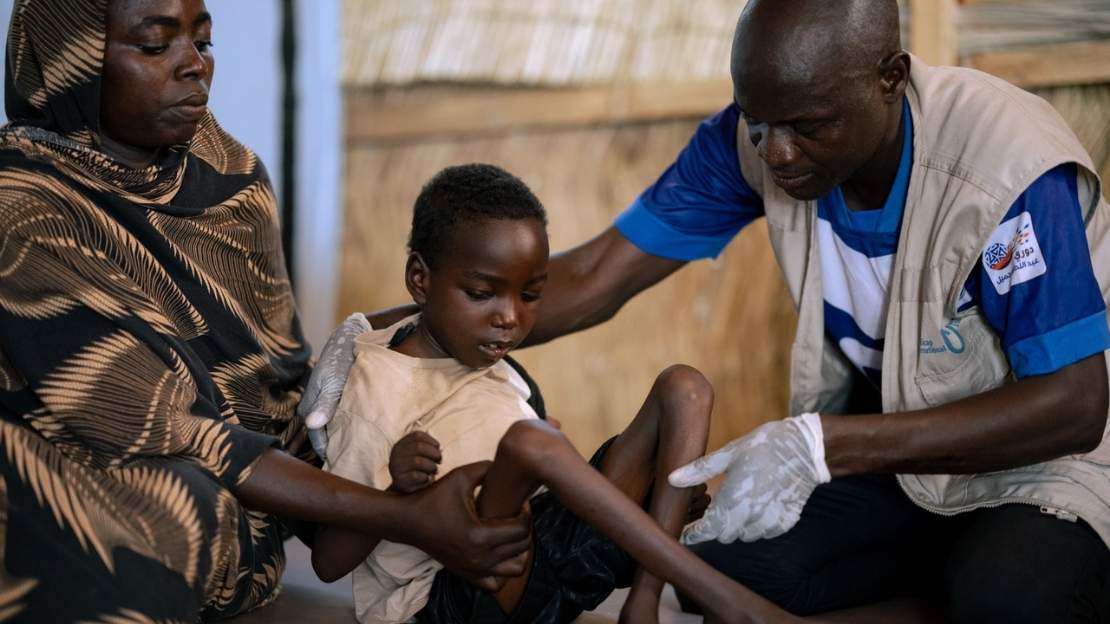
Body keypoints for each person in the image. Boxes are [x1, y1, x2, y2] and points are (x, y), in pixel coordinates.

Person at [308, 0, 1110, 620]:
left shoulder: (1003, 169)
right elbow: (592, 275)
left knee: (1014, 598)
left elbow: (1073, 407)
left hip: (1038, 467)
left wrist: (822, 442)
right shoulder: (754, 139)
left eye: (807, 126)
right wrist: (392, 334)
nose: (778, 153)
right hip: (904, 466)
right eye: (759, 123)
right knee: (728, 561)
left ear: (890, 78)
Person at [0, 1, 534, 621]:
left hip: (239, 503)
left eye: (203, 41)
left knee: (467, 377)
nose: (193, 66)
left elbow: (280, 392)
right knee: (169, 507)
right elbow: (158, 427)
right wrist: (403, 517)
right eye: (154, 47)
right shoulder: (24, 205)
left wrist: (402, 417)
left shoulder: (231, 176)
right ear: (72, 57)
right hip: (94, 468)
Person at [310, 163, 793, 624]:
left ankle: (644, 600)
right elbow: (329, 561)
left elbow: (542, 497)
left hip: (542, 561)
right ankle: (721, 595)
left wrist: (649, 499)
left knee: (683, 387)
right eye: (482, 294)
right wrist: (397, 489)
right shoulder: (378, 393)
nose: (510, 317)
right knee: (531, 443)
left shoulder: (488, 360)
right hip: (449, 598)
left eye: (531, 294)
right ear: (421, 279)